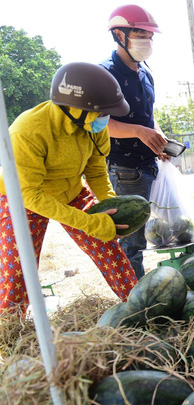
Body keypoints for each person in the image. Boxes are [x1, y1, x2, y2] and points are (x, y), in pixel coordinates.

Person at [0, 63, 137, 314]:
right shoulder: (27, 132)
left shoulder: (93, 128)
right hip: (23, 197)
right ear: (78, 110)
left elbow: (96, 171)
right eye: (102, 113)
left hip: (71, 190)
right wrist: (87, 221)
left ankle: (140, 307)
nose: (107, 119)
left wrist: (114, 207)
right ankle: (10, 332)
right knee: (17, 269)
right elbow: (29, 193)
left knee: (109, 248)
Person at [101, 4, 169, 278]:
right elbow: (100, 123)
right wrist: (140, 133)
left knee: (138, 239)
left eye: (150, 37)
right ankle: (133, 298)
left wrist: (158, 137)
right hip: (124, 168)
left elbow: (147, 115)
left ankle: (136, 290)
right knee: (131, 242)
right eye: (141, 35)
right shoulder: (105, 74)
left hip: (147, 164)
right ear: (119, 34)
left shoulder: (146, 72)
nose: (147, 42)